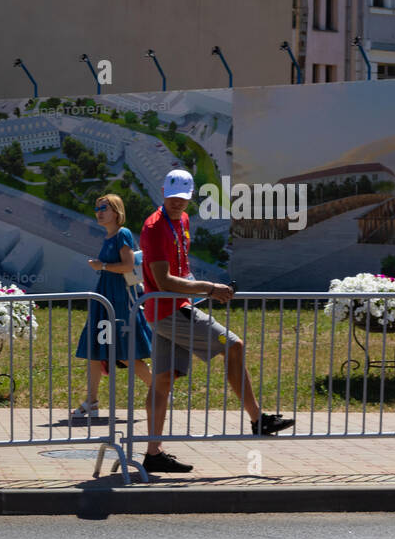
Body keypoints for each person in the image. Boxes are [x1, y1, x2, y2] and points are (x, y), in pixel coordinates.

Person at [141, 169, 294, 473]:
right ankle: (258, 420)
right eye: (172, 198)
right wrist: (209, 289)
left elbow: (180, 270)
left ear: (191, 196)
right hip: (170, 311)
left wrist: (197, 289)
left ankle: (153, 454)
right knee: (233, 344)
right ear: (162, 192)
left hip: (172, 309)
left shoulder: (182, 220)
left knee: (162, 379)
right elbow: (163, 280)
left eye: (183, 199)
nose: (177, 204)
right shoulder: (155, 227)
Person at [71, 194, 153, 418]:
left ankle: (160, 388)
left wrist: (102, 265)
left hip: (119, 302)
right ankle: (92, 401)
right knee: (95, 352)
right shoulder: (109, 237)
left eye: (104, 208)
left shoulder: (122, 234)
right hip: (105, 300)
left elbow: (127, 266)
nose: (99, 212)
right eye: (97, 208)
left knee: (126, 354)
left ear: (116, 211)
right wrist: (102, 266)